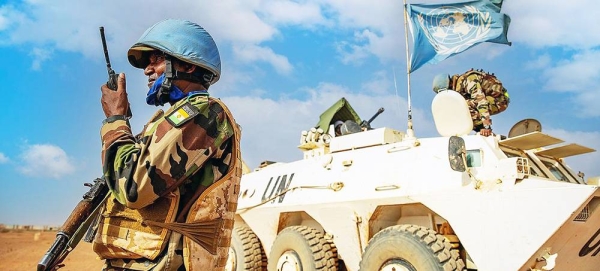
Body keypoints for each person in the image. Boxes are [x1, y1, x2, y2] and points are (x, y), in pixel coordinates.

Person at [94, 19, 242, 271]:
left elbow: (132, 186)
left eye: (156, 59)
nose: (147, 70)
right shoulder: (170, 119)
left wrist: (115, 121)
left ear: (185, 63)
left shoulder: (203, 112)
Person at [432, 69, 510, 137]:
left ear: (450, 84)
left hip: (500, 100)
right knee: (459, 108)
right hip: (487, 100)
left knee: (464, 106)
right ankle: (481, 131)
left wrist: (486, 126)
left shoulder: (469, 80)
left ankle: (484, 129)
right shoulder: (459, 88)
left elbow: (481, 101)